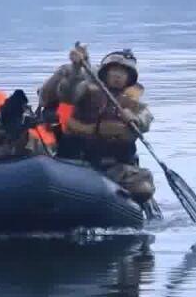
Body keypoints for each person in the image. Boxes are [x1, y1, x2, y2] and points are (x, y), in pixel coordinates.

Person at [44, 44, 156, 204]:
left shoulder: (135, 105)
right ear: (105, 72)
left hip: (115, 167)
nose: (118, 76)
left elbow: (146, 119)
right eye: (114, 71)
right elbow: (68, 94)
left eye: (123, 73)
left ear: (130, 79)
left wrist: (135, 119)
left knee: (143, 188)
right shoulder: (84, 89)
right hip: (76, 162)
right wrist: (76, 69)